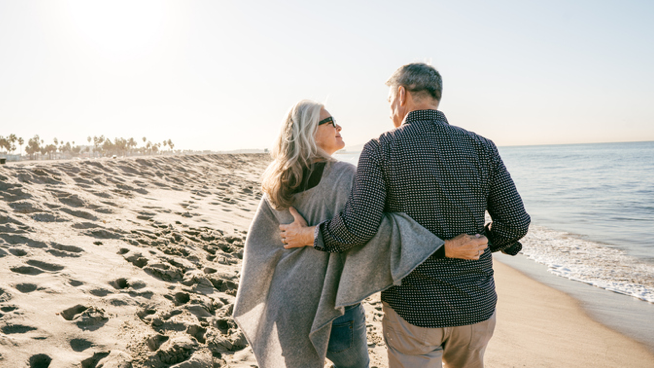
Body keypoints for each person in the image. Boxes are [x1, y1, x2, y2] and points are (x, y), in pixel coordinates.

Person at [280, 63, 531, 368]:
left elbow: (359, 228)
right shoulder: (481, 147)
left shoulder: (380, 149)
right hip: (475, 304)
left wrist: (311, 235)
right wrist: (481, 243)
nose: (389, 111)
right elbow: (516, 223)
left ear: (401, 95)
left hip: (413, 308)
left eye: (389, 101)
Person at [233, 99, 488, 368]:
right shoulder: (345, 177)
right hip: (333, 305)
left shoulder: (276, 180)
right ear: (308, 131)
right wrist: (444, 247)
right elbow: (377, 231)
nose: (338, 126)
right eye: (329, 122)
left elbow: (259, 244)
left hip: (286, 302)